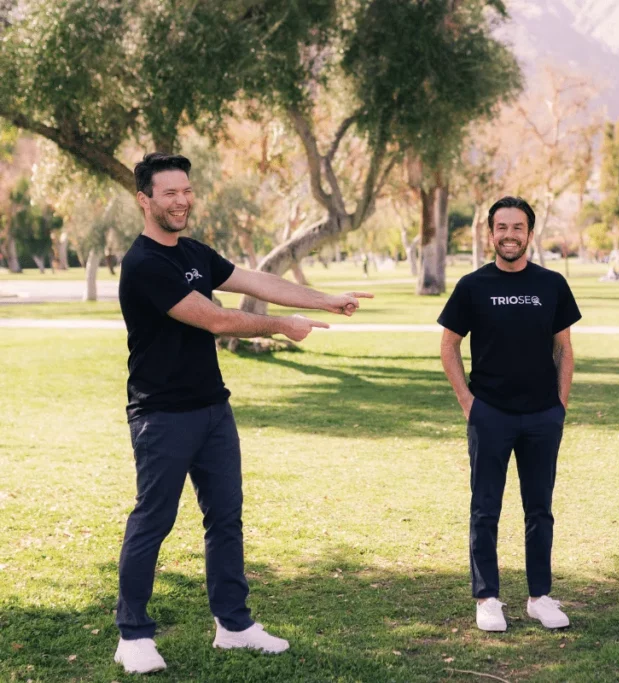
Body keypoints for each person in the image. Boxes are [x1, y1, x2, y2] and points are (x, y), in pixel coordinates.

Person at [114, 153, 373, 674]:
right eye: (169, 193)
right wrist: (281, 327)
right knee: (154, 520)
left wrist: (325, 300)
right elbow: (211, 319)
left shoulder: (193, 252)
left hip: (212, 408)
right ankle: (133, 634)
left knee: (226, 520)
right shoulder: (143, 264)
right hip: (162, 414)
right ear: (144, 200)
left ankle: (233, 625)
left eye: (186, 190)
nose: (182, 200)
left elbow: (256, 282)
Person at [438, 196, 582, 632]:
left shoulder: (552, 284)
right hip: (491, 415)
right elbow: (448, 346)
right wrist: (468, 403)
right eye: (501, 228)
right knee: (485, 509)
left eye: (517, 228)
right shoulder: (471, 286)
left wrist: (560, 406)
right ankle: (488, 598)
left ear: (530, 234)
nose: (509, 235)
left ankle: (540, 597)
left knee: (539, 510)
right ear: (490, 234)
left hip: (542, 417)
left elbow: (564, 347)